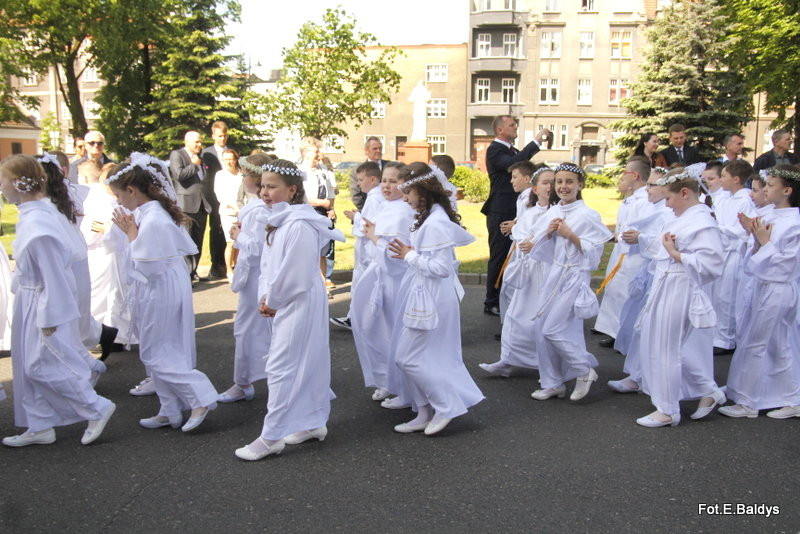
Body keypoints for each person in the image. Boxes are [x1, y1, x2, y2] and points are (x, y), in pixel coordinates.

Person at [0, 155, 115, 447]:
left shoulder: (40, 225)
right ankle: (39, 424)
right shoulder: (38, 212)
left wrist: (50, 317)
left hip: (41, 302)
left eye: (3, 180)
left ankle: (95, 407)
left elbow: (55, 276)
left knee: (39, 365)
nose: (1, 187)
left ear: (17, 183)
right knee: (28, 363)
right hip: (31, 297)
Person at [235, 160, 344, 461]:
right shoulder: (282, 218)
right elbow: (271, 265)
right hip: (287, 298)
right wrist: (266, 296)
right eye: (263, 186)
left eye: (272, 187)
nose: (265, 192)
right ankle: (312, 421)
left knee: (281, 366)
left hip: (298, 300)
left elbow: (294, 272)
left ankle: (271, 436)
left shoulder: (298, 224)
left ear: (292, 190)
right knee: (304, 361)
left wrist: (274, 299)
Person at [108, 153, 218, 432]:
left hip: (159, 290)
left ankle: (200, 397)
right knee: (154, 349)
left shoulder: (154, 218)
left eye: (119, 195)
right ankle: (169, 409)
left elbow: (147, 267)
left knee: (158, 351)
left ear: (132, 190)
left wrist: (132, 235)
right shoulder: (147, 212)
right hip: (156, 288)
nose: (118, 201)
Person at [387, 162, 484, 435]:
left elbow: (441, 269)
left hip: (433, 297)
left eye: (407, 192)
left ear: (423, 190)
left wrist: (409, 255)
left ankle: (447, 404)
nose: (404, 199)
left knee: (407, 356)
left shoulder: (437, 222)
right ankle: (424, 411)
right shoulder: (430, 217)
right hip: (423, 293)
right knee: (417, 355)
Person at [635, 167, 725, 427]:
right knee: (661, 342)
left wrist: (678, 255)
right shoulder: (682, 216)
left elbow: (712, 262)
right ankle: (707, 390)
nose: (667, 204)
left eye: (669, 198)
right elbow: (661, 245)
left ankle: (668, 409)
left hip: (680, 286)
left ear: (685, 193)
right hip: (666, 283)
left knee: (667, 347)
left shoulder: (702, 220)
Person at [719, 164, 800, 419]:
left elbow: (788, 264)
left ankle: (749, 401)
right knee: (771, 342)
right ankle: (780, 395)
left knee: (762, 342)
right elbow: (757, 256)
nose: (764, 190)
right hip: (762, 284)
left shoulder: (795, 222)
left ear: (787, 190)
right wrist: (753, 236)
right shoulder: (772, 216)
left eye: (770, 185)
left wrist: (763, 241)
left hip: (778, 287)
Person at [527, 163, 612, 402]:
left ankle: (583, 369)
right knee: (540, 329)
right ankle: (552, 382)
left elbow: (595, 254)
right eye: (559, 182)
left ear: (580, 185)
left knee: (552, 329)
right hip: (554, 274)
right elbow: (544, 247)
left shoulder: (587, 215)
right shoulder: (555, 211)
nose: (563, 187)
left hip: (574, 277)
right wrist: (545, 237)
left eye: (569, 182)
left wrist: (571, 235)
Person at [478, 166, 554, 377]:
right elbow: (521, 235)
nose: (550, 187)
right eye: (545, 182)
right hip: (525, 272)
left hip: (546, 272)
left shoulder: (557, 213)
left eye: (553, 182)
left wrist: (535, 242)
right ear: (535, 188)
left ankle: (548, 367)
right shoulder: (530, 212)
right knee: (514, 316)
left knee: (541, 319)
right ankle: (508, 360)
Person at [351, 161, 414, 402]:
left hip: (393, 282)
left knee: (391, 332)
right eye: (385, 180)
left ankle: (401, 386)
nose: (387, 186)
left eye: (394, 181)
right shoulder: (388, 206)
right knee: (372, 328)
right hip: (380, 278)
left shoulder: (403, 211)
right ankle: (388, 379)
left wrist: (375, 238)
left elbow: (397, 255)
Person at [607, 167, 674, 394]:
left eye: (653, 185)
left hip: (662, 276)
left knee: (649, 327)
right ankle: (636, 374)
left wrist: (641, 238)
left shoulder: (669, 212)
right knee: (638, 325)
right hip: (648, 272)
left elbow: (667, 244)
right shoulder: (654, 208)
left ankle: (646, 376)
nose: (648, 188)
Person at [217, 153, 274, 403]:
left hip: (257, 277)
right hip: (256, 275)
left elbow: (259, 248)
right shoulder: (254, 206)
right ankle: (245, 379)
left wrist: (238, 236)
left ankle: (242, 382)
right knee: (255, 328)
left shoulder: (260, 211)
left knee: (247, 328)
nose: (243, 178)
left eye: (245, 175)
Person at [483, 115, 549, 316]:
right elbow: (514, 163)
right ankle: (491, 300)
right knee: (499, 255)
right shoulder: (495, 150)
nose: (515, 127)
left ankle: (508, 297)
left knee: (511, 256)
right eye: (512, 125)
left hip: (515, 212)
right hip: (500, 210)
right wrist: (536, 142)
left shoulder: (510, 150)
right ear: (500, 129)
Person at [593, 157, 653, 347]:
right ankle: (615, 331)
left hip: (632, 254)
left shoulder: (643, 201)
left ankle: (624, 334)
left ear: (635, 176)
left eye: (624, 173)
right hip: (621, 252)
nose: (621, 177)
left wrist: (618, 236)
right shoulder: (630, 199)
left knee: (626, 294)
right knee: (615, 291)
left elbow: (636, 228)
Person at [710, 160, 756, 355]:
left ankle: (726, 338)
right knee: (719, 295)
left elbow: (741, 230)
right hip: (722, 250)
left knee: (728, 296)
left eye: (724, 176)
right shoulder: (727, 198)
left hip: (733, 252)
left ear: (736, 179)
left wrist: (717, 227)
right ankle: (718, 334)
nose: (721, 180)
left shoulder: (745, 200)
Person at [330, 161, 384, 330]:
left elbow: (367, 226)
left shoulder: (374, 198)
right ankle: (356, 317)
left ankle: (357, 319)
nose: (358, 183)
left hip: (369, 249)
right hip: (370, 247)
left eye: (361, 180)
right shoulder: (376, 197)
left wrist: (356, 218)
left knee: (362, 284)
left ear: (373, 179)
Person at [169, 130, 210, 284]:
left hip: (201, 204)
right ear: (187, 142)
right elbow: (179, 175)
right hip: (185, 205)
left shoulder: (201, 157)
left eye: (200, 142)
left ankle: (193, 272)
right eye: (196, 142)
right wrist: (193, 165)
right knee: (186, 240)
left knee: (198, 241)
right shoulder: (177, 155)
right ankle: (185, 276)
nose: (199, 145)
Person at [298, 137, 338, 295]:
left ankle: (322, 286)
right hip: (306, 215)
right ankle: (305, 285)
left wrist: (331, 207)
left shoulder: (323, 170)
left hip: (322, 215)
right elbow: (300, 197)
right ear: (306, 152)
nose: (319, 154)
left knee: (322, 252)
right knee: (307, 252)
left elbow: (330, 192)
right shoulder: (299, 171)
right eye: (316, 151)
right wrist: (322, 203)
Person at [200, 120, 233, 279]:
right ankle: (216, 264)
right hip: (213, 197)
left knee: (227, 233)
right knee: (215, 229)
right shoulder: (206, 153)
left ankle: (227, 263)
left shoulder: (232, 152)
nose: (223, 139)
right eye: (220, 136)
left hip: (229, 196)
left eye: (225, 136)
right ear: (213, 136)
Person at [214, 148, 243, 277]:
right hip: (228, 212)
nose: (228, 162)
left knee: (239, 242)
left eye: (231, 159)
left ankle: (237, 267)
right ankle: (229, 270)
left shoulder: (241, 174)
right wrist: (233, 207)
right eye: (225, 160)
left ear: (236, 159)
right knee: (230, 242)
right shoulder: (220, 175)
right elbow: (220, 195)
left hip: (241, 211)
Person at [350, 137, 388, 210]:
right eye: (375, 148)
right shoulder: (357, 170)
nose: (378, 151)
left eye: (380, 148)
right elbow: (356, 195)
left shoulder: (389, 167)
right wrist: (368, 209)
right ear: (366, 151)